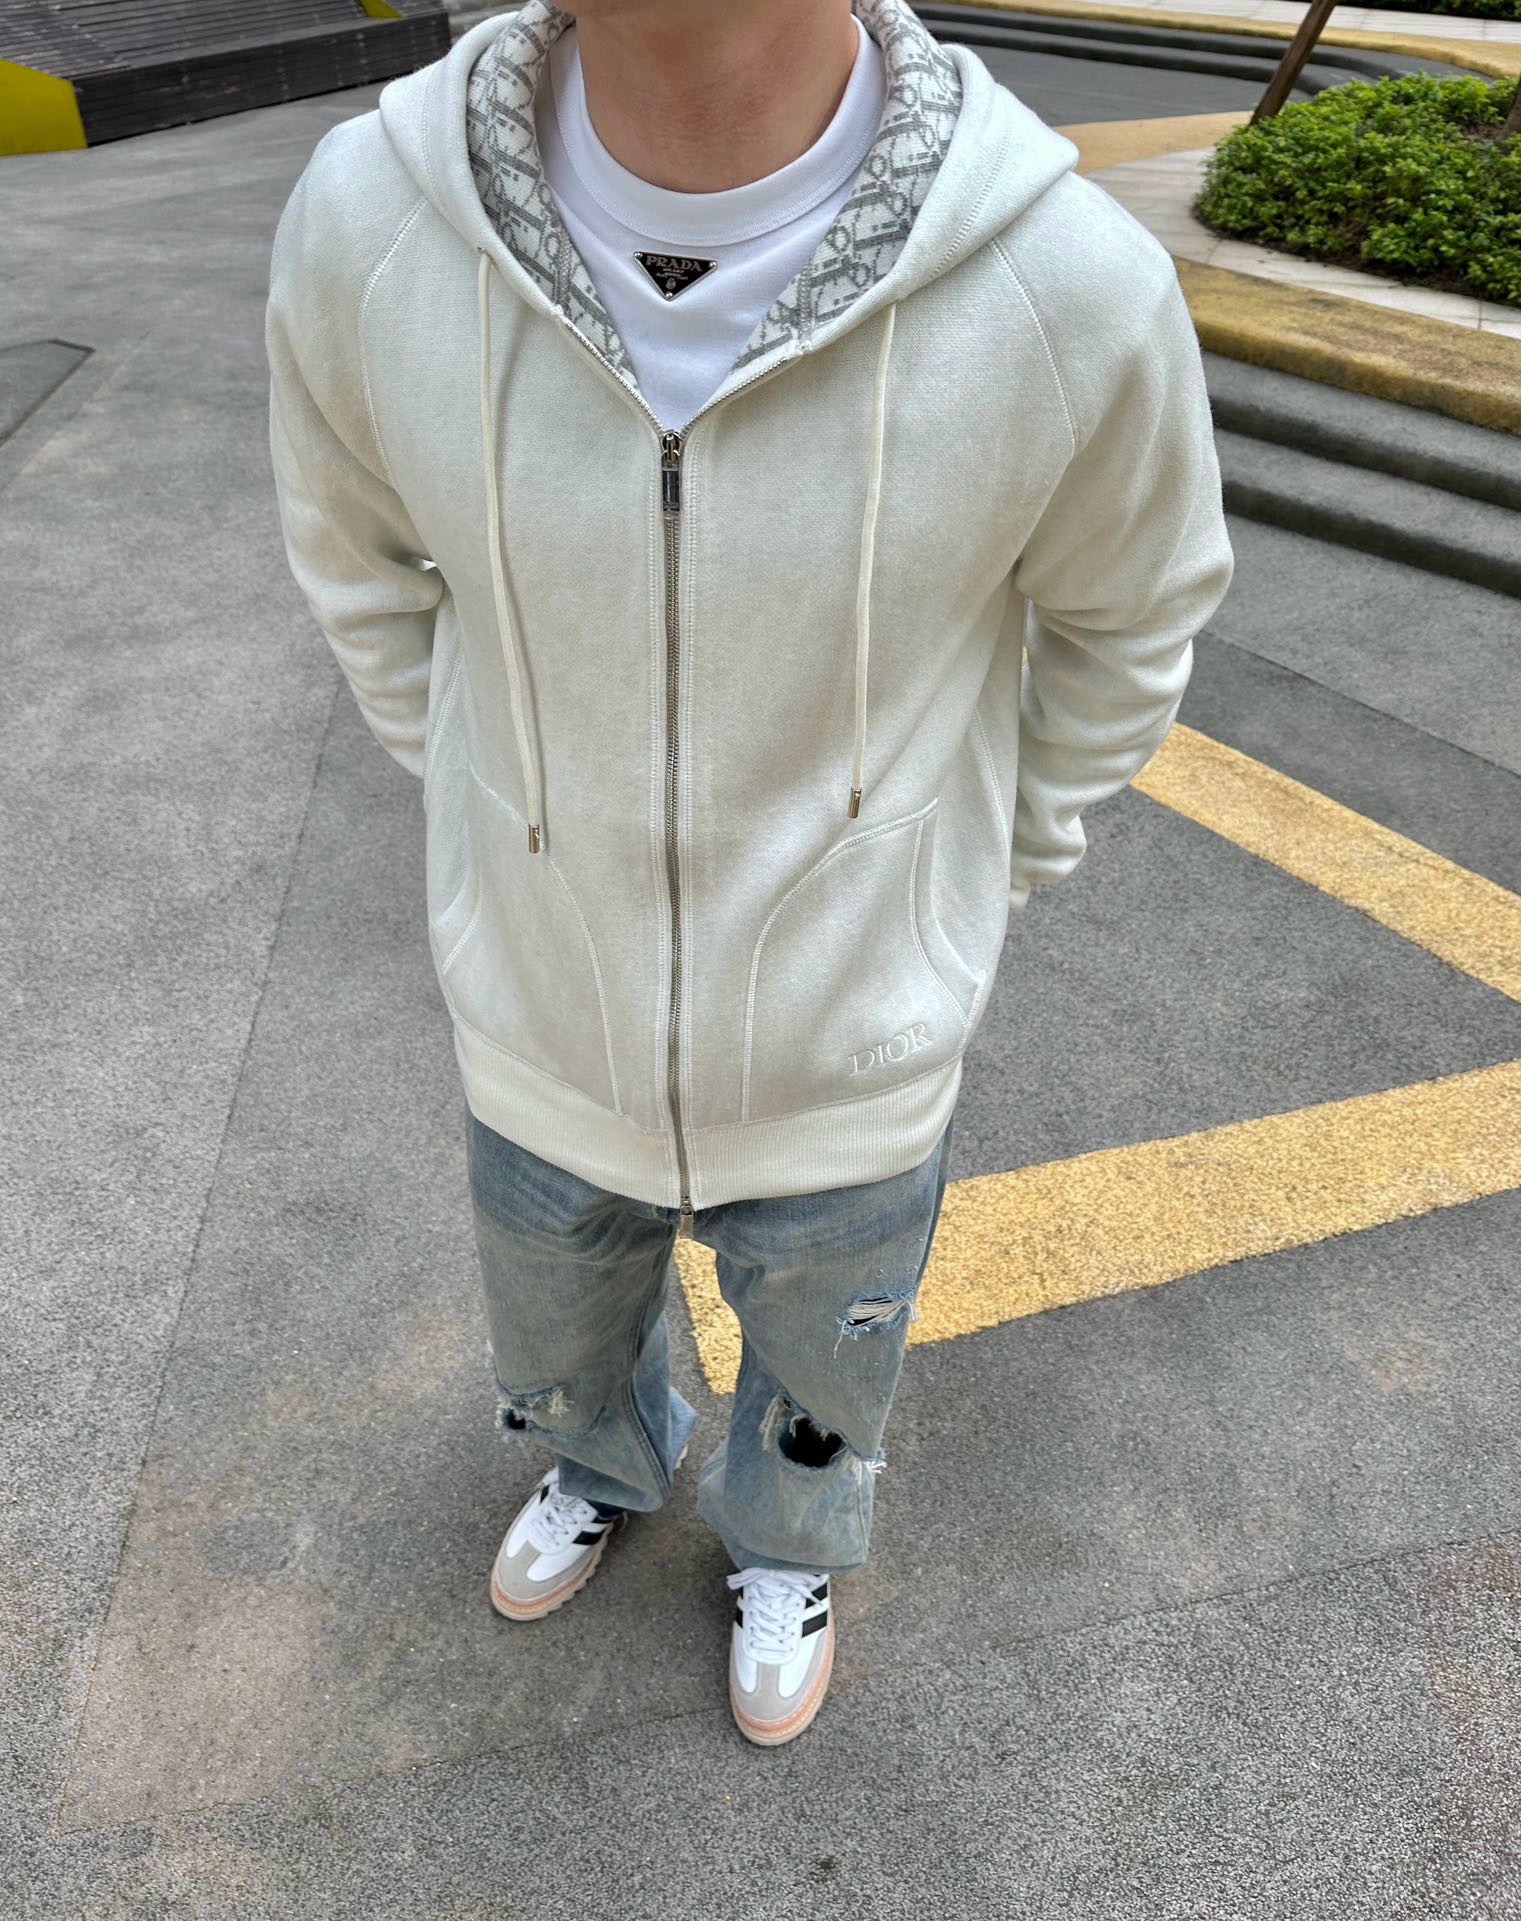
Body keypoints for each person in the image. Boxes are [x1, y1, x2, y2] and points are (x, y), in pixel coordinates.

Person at [264, 0, 1234, 1748]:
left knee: (821, 1365)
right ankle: (598, 1458)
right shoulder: (370, 218)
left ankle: (786, 1540)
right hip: (537, 1011)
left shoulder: (1059, 282)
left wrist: (962, 881)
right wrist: (495, 822)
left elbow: (1132, 613)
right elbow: (359, 564)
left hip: (853, 1042)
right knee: (556, 1321)